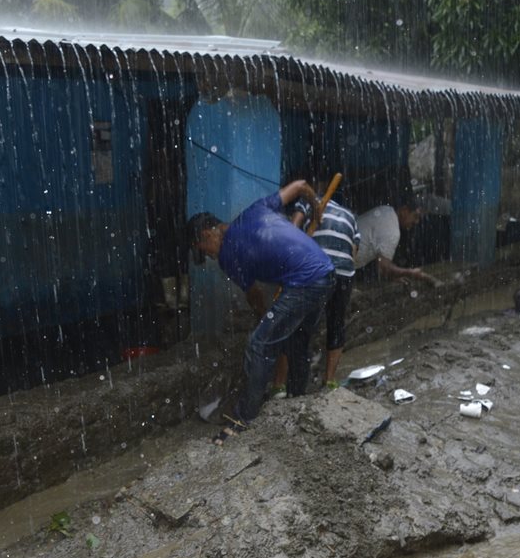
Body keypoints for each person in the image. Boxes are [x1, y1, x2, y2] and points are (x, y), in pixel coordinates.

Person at [187, 180, 333, 444]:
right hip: (324, 272)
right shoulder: (256, 209)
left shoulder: (228, 255)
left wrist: (265, 319)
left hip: (304, 282)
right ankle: (296, 401)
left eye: (204, 252)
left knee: (258, 344)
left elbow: (254, 296)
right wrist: (315, 208)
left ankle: (244, 419)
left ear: (208, 235)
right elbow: (300, 185)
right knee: (296, 341)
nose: (209, 258)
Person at [271, 177, 360, 394]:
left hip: (317, 270)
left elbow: (293, 228)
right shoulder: (350, 216)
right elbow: (354, 253)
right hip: (343, 274)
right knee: (336, 324)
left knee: (295, 326)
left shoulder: (309, 203)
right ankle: (329, 381)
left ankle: (280, 385)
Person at [355, 194, 440, 285]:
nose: (417, 222)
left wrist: (392, 276)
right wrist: (411, 273)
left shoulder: (385, 210)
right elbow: (384, 268)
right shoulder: (392, 231)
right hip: (342, 260)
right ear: (404, 211)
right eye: (415, 216)